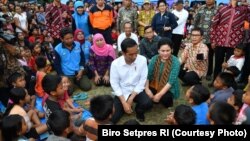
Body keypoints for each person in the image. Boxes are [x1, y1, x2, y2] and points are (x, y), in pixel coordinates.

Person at [110, 38, 153, 123]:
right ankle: (124, 108)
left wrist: (130, 99)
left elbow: (142, 80)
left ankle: (138, 110)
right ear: (123, 53)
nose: (135, 56)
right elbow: (115, 84)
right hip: (123, 91)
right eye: (131, 54)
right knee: (114, 116)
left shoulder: (142, 60)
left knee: (148, 103)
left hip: (136, 90)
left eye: (136, 53)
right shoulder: (115, 64)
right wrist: (124, 102)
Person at [210, 0, 250, 81]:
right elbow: (214, 24)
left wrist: (246, 5)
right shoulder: (222, 9)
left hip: (234, 43)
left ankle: (227, 84)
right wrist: (213, 40)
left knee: (230, 66)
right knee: (218, 63)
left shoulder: (243, 9)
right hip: (220, 41)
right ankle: (216, 81)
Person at [145, 38, 180, 108]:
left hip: (168, 87)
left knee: (166, 100)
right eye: (162, 51)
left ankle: (163, 98)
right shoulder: (154, 59)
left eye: (168, 50)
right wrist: (147, 89)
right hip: (154, 84)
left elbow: (171, 81)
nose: (165, 53)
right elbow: (147, 75)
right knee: (146, 98)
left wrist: (159, 94)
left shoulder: (175, 61)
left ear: (172, 50)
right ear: (158, 50)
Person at [194, 0, 217, 81]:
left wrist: (216, 38)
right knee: (199, 56)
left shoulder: (218, 10)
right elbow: (195, 21)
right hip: (200, 38)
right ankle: (198, 74)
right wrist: (193, 34)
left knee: (210, 56)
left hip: (211, 38)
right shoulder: (201, 8)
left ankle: (209, 73)